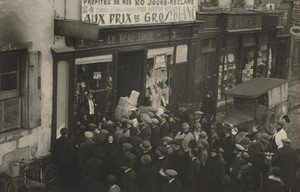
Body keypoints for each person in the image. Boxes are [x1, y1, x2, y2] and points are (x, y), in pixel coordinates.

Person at [52, 128, 76, 192]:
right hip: (67, 163)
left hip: (59, 162)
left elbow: (54, 151)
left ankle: (61, 188)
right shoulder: (69, 141)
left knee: (60, 176)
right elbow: (72, 153)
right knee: (66, 177)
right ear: (67, 133)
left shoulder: (57, 141)